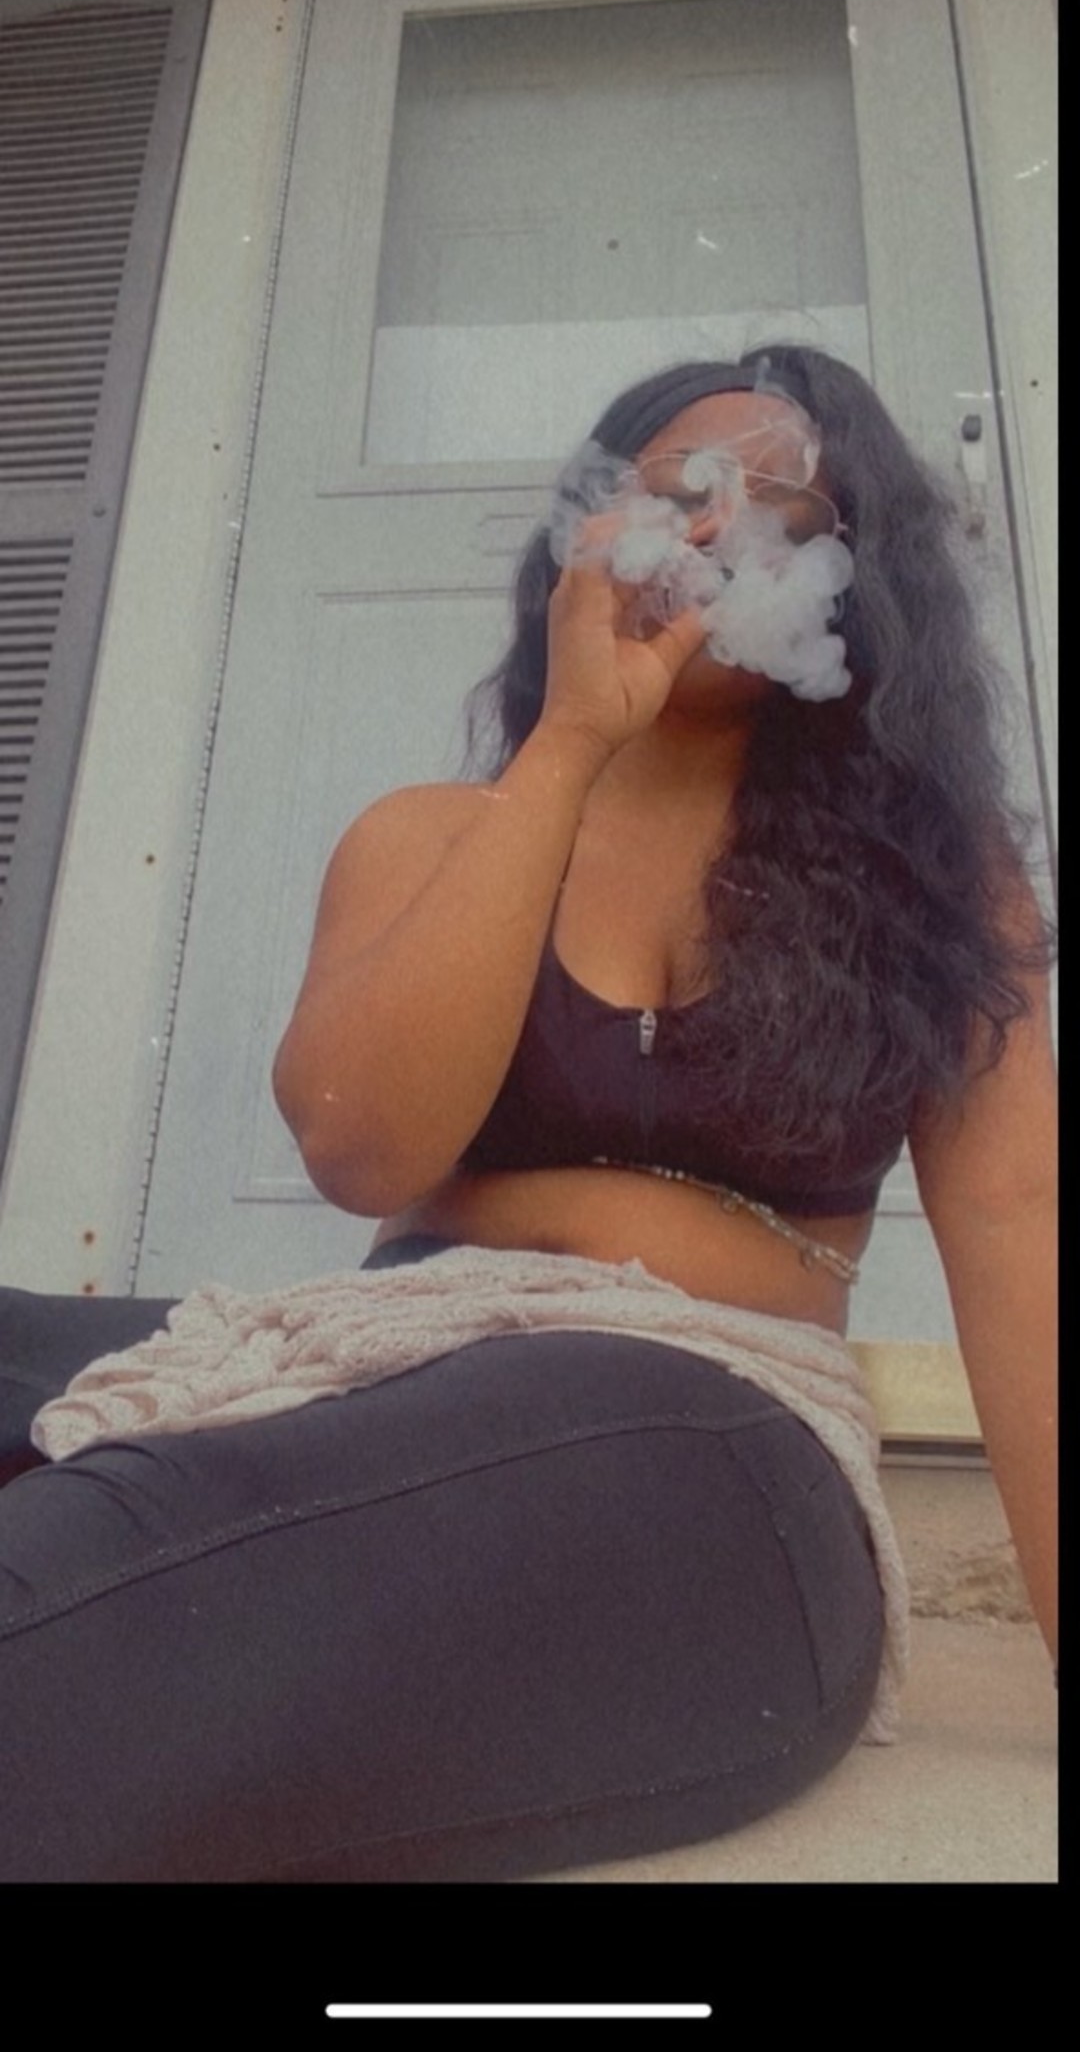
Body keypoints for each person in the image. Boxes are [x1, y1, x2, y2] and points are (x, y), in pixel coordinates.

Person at [0, 348, 1057, 1884]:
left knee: (159, 1528)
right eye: (677, 490)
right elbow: (367, 1148)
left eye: (778, 507)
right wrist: (569, 747)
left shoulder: (938, 886)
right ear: (584, 528)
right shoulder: (429, 835)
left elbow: (1020, 1231)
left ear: (855, 583)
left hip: (700, 1424)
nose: (714, 531)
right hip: (380, 1359)